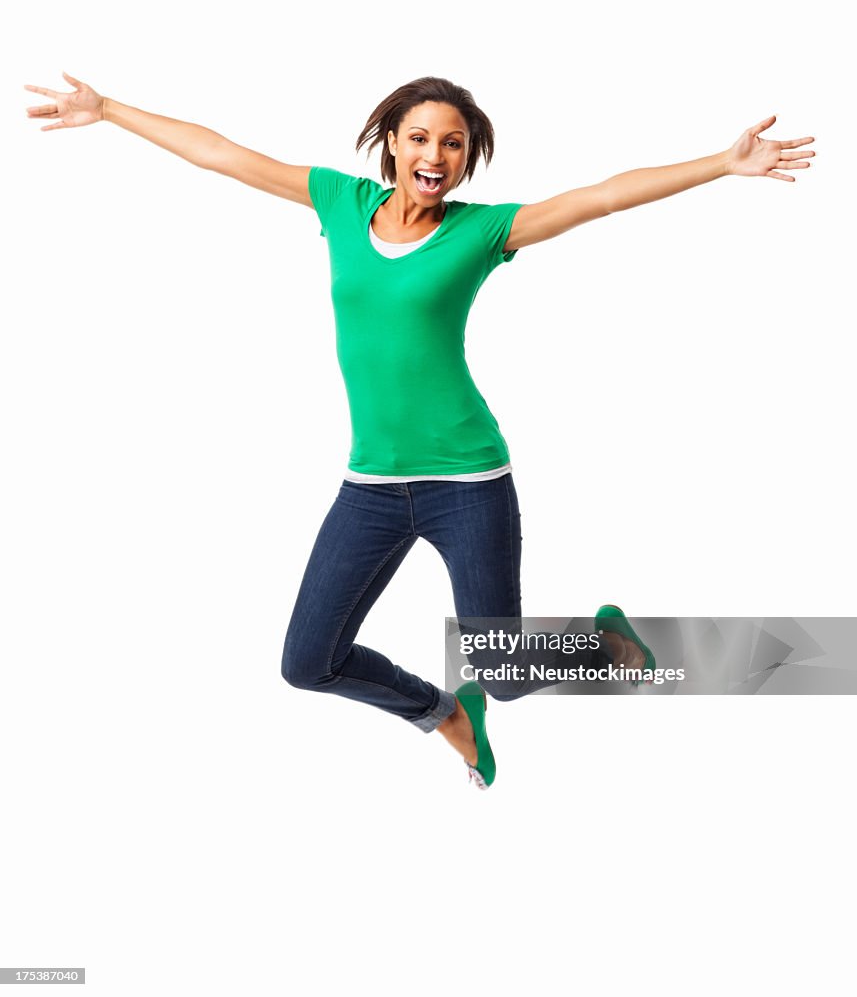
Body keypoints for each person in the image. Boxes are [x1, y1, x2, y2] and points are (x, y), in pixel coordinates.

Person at [25, 72, 815, 788]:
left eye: (453, 144)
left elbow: (601, 196)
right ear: (390, 142)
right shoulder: (341, 203)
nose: (435, 154)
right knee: (307, 663)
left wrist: (720, 162)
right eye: (420, 137)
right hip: (368, 488)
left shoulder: (481, 231)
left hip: (467, 484)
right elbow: (223, 155)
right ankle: (443, 714)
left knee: (502, 671)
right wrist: (109, 111)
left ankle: (604, 645)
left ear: (466, 159)